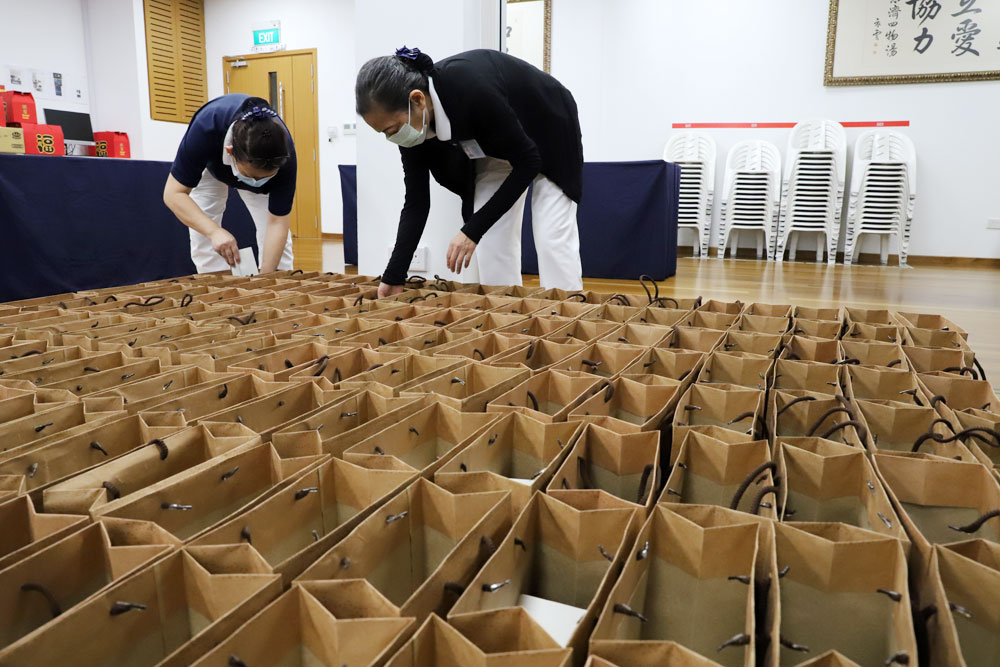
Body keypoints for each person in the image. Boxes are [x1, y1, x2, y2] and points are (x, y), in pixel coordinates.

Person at [356, 47, 584, 297]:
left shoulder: (470, 87)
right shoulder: (412, 131)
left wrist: (470, 232)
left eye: (391, 128)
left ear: (418, 100)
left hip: (549, 126)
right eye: (383, 133)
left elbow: (528, 161)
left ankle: (568, 316)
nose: (392, 137)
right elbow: (416, 203)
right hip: (496, 143)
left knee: (551, 238)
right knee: (491, 239)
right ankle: (507, 315)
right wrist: (394, 275)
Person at [163, 94, 296, 273]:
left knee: (280, 246)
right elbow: (173, 194)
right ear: (230, 152)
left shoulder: (284, 155)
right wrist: (213, 231)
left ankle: (278, 288)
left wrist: (267, 278)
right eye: (252, 176)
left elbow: (278, 223)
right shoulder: (206, 127)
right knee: (203, 232)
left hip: (257, 169)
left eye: (263, 177)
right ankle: (216, 290)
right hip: (210, 164)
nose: (255, 182)